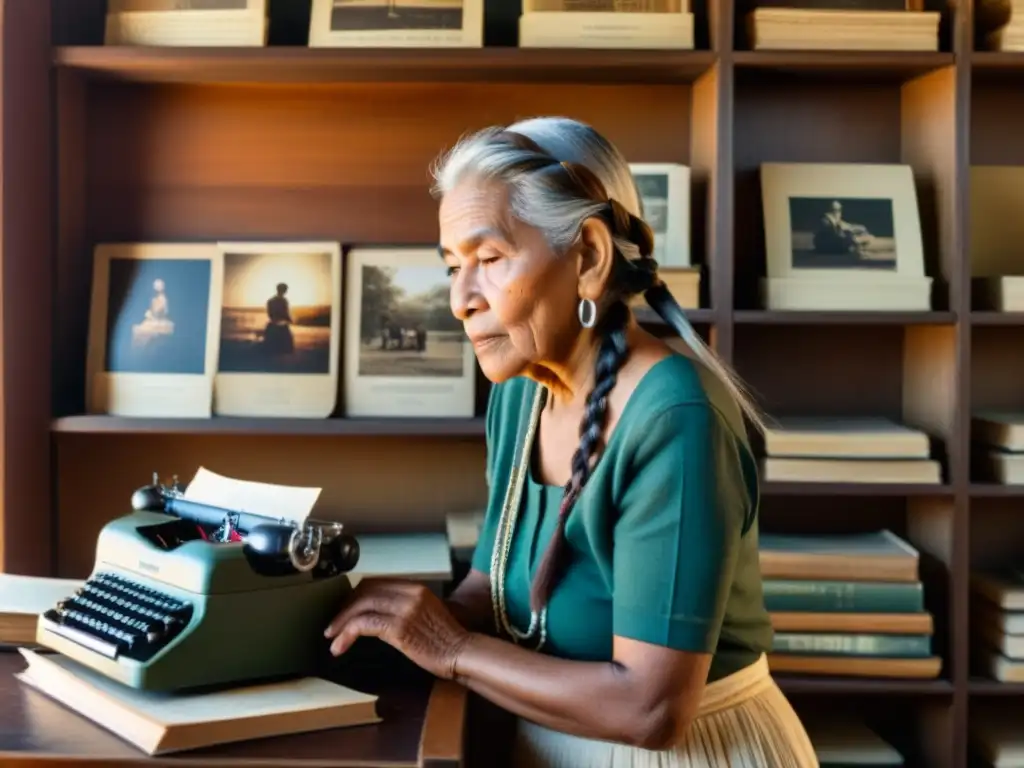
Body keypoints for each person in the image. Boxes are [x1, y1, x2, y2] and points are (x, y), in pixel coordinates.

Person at [324, 116, 818, 767]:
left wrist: (449, 648)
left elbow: (651, 709)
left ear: (586, 256)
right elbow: (491, 587)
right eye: (453, 266)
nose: (460, 300)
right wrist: (374, 628)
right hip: (545, 741)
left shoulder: (676, 417)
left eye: (490, 259)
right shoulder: (518, 394)